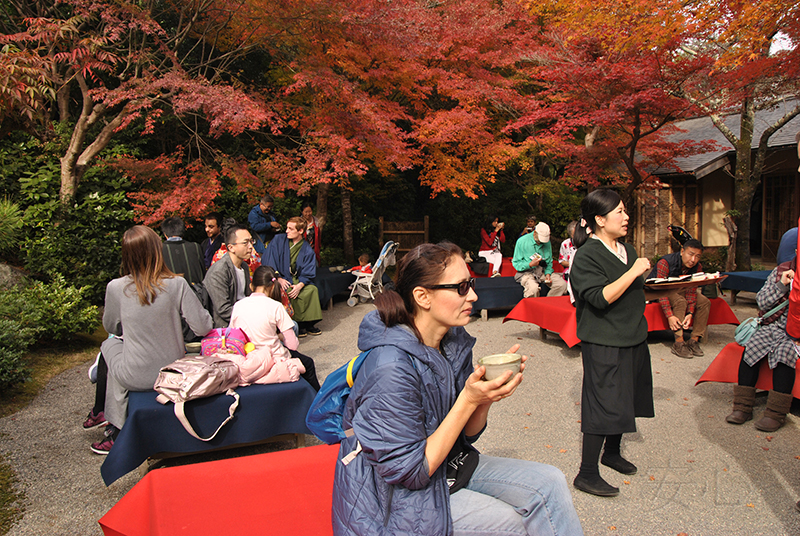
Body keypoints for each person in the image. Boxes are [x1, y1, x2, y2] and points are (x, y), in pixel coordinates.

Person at [332, 242, 583, 536]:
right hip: (390, 500)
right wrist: (468, 398)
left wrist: (488, 394)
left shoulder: (453, 342)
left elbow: (468, 434)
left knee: (549, 481)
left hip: (447, 466)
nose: (474, 295)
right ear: (422, 296)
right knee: (512, 523)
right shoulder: (390, 366)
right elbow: (410, 472)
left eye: (471, 284)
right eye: (461, 287)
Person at [89, 226, 212, 454]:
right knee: (118, 354)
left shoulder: (116, 287)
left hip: (135, 375)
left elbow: (111, 327)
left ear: (126, 255)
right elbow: (203, 327)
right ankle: (111, 424)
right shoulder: (176, 284)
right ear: (158, 251)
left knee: (109, 345)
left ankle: (115, 426)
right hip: (172, 373)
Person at [569, 189, 657, 497]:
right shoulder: (587, 255)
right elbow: (599, 297)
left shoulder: (627, 249)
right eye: (619, 211)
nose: (626, 217)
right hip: (604, 339)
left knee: (627, 396)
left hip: (633, 335)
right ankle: (587, 472)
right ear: (599, 219)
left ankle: (612, 452)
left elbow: (636, 290)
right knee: (603, 401)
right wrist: (634, 271)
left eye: (624, 211)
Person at [725, 255, 796, 432]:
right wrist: (782, 284)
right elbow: (762, 301)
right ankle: (742, 407)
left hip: (795, 332)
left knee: (784, 354)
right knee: (752, 349)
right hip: (772, 326)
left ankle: (776, 414)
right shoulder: (781, 270)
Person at [229, 265, 320, 390]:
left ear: (251, 286)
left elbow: (233, 336)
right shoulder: (276, 306)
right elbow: (292, 345)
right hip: (273, 358)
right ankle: (317, 402)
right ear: (273, 287)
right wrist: (279, 337)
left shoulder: (238, 306)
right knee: (307, 363)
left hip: (248, 358)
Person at [648, 238, 710, 358]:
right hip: (658, 291)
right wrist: (670, 316)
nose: (693, 260)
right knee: (680, 301)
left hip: (680, 289)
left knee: (704, 302)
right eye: (690, 254)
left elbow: (692, 290)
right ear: (682, 251)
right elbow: (661, 290)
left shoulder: (697, 266)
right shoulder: (665, 262)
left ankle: (694, 340)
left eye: (697, 256)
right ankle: (679, 342)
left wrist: (690, 313)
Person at [262, 217, 323, 336]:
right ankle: (297, 324)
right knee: (288, 290)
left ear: (300, 231)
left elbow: (308, 270)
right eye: (287, 228)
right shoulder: (278, 240)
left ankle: (309, 323)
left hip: (298, 278)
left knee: (311, 290)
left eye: (291, 229)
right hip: (279, 276)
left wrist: (300, 285)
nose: (286, 231)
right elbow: (269, 259)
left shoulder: (306, 249)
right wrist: (278, 277)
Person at [204, 224, 254, 328]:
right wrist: (251, 317)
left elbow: (248, 296)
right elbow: (223, 310)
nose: (250, 246)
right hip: (227, 327)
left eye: (251, 241)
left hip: (244, 319)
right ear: (231, 247)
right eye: (245, 243)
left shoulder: (243, 266)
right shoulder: (219, 271)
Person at [512, 222, 568, 297]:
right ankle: (533, 307)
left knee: (561, 284)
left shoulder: (547, 243)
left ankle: (548, 305)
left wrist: (548, 273)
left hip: (542, 271)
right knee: (533, 289)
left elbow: (549, 261)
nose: (541, 243)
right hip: (526, 272)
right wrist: (530, 264)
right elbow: (516, 263)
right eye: (539, 240)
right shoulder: (522, 241)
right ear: (535, 233)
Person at [160, 217, 205, 287]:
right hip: (195, 293)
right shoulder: (195, 247)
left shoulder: (159, 250)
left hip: (170, 292)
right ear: (183, 232)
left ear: (165, 234)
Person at [302, 202, 323, 266]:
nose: (308, 214)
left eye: (310, 211)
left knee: (315, 265)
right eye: (306, 212)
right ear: (302, 212)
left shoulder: (315, 221)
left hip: (313, 248)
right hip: (302, 248)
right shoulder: (299, 222)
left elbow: (318, 235)